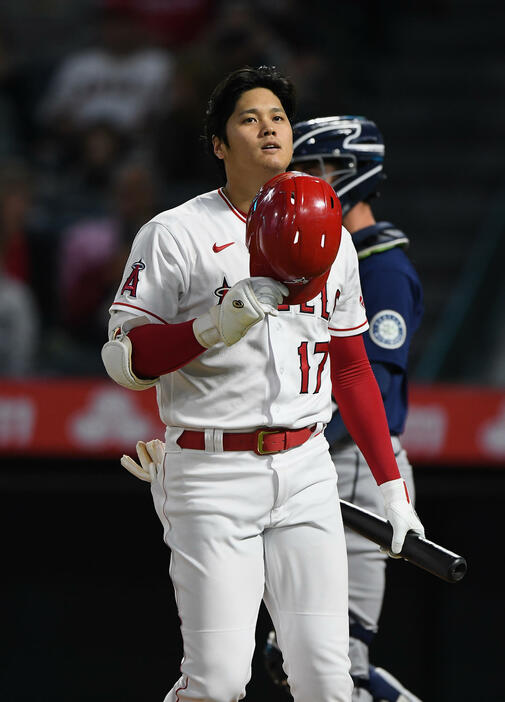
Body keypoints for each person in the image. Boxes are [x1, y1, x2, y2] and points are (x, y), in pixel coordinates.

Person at [101, 67, 425, 702]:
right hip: (211, 470)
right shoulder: (176, 233)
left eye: (278, 117)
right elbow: (123, 360)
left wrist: (392, 489)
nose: (269, 128)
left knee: (328, 683)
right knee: (218, 682)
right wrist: (211, 326)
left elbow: (353, 367)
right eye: (250, 118)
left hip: (307, 468)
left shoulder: (328, 232)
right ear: (219, 144)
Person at [264, 115, 424, 702]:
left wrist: (285, 450)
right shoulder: (318, 258)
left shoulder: (381, 266)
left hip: (353, 466)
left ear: (355, 175)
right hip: (320, 463)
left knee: (338, 662)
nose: (301, 180)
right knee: (294, 658)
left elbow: (370, 391)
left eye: (315, 169)